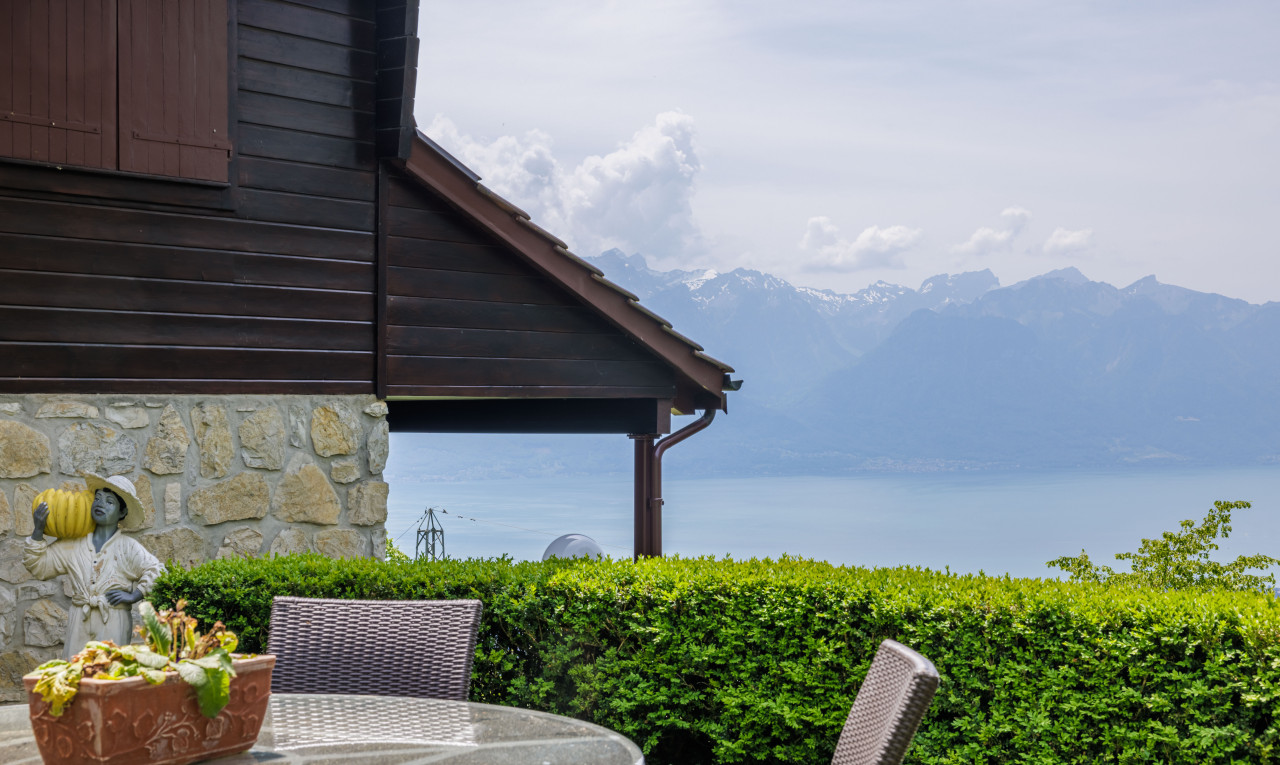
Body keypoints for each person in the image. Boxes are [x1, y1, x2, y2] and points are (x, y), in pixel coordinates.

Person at [23, 473, 164, 659]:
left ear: (122, 513)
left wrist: (134, 595)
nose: (100, 504)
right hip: (79, 620)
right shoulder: (73, 544)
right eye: (97, 498)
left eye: (109, 501)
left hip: (113, 619)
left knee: (110, 673)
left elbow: (158, 571)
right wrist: (38, 532)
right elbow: (40, 566)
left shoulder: (127, 547)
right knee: (75, 674)